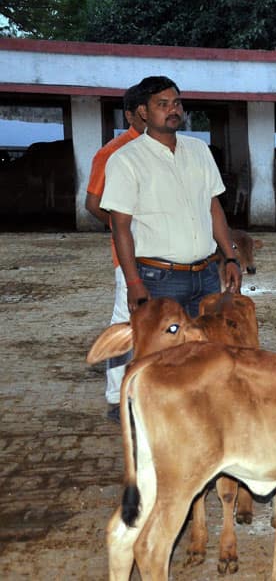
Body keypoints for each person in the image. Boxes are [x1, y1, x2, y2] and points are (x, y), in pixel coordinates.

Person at [99, 75, 241, 317]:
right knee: (158, 352)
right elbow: (120, 227)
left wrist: (230, 257)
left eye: (177, 103)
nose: (172, 110)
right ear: (143, 111)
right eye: (162, 104)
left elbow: (213, 206)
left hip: (206, 275)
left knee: (200, 350)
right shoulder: (126, 160)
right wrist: (133, 282)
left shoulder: (199, 150)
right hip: (158, 279)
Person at [85, 83, 146, 422]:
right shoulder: (112, 152)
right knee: (126, 319)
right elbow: (93, 204)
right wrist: (125, 229)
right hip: (129, 253)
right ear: (131, 114)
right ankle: (114, 395)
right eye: (146, 109)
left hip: (164, 253)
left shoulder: (163, 148)